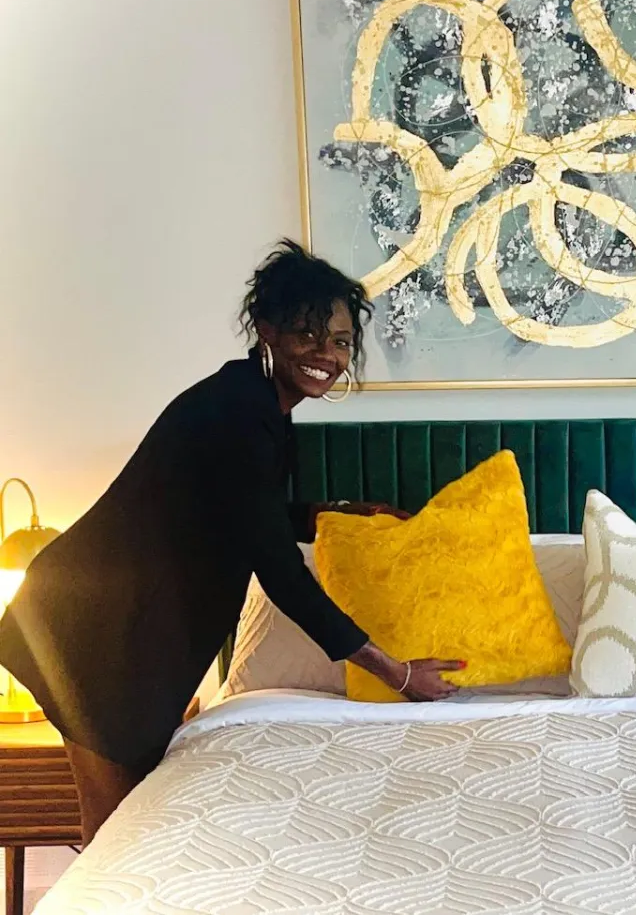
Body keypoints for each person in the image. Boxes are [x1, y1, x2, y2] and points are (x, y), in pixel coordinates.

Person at [0, 241, 463, 844]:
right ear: (267, 330)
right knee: (116, 835)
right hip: (91, 637)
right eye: (307, 334)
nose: (327, 354)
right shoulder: (239, 414)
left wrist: (335, 513)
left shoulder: (255, 403)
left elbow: (241, 512)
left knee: (125, 829)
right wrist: (396, 673)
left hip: (123, 633)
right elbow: (278, 568)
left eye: (341, 342)